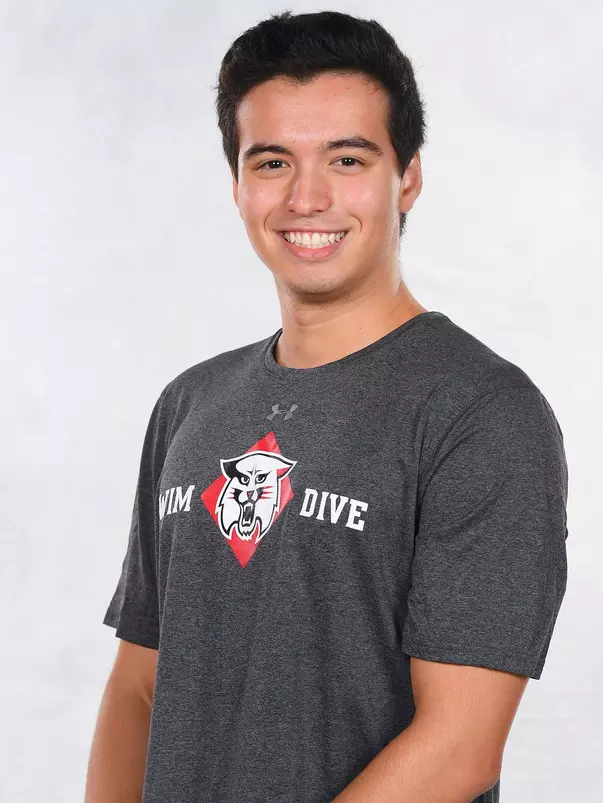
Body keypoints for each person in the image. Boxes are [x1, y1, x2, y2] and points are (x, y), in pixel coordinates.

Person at [85, 10, 569, 803]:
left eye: (347, 158)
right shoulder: (190, 403)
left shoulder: (481, 413)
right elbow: (140, 684)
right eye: (272, 161)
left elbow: (458, 748)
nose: (306, 197)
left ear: (406, 175)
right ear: (238, 184)